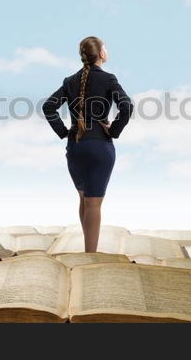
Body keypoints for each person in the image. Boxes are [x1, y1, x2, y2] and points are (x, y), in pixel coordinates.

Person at [42, 36, 133, 252]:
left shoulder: (70, 81)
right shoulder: (108, 79)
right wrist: (114, 130)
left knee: (84, 199)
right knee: (94, 203)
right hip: (100, 146)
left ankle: (87, 251)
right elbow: (127, 106)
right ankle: (90, 255)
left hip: (75, 146)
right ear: (101, 54)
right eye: (106, 48)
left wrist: (65, 132)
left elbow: (48, 107)